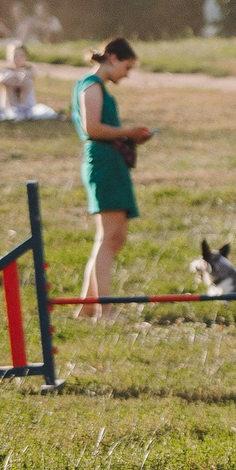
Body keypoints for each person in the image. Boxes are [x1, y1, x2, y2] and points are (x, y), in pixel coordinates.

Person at [74, 38, 152, 314]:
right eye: (127, 66)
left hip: (112, 163)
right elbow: (92, 128)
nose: (127, 73)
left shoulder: (102, 91)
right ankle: (104, 310)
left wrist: (131, 139)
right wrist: (127, 132)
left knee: (114, 238)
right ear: (113, 58)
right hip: (103, 164)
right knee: (108, 239)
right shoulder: (91, 87)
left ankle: (86, 308)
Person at [0, 39, 41, 119]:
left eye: (21, 55)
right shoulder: (6, 71)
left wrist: (21, 76)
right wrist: (12, 77)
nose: (18, 58)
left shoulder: (28, 70)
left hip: (26, 103)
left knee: (26, 80)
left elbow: (33, 75)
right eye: (15, 55)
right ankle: (13, 109)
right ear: (8, 56)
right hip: (9, 104)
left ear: (26, 57)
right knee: (9, 80)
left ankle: (23, 107)